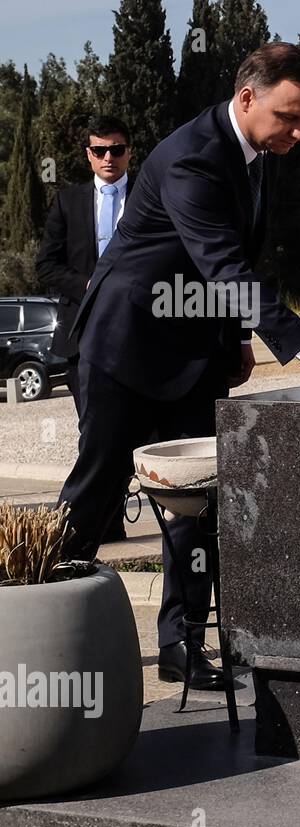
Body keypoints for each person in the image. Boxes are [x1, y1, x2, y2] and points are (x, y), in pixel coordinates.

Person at [59, 42, 300, 691]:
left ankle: (181, 647)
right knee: (95, 499)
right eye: (290, 117)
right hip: (125, 348)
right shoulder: (190, 157)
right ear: (247, 99)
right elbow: (224, 266)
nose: (299, 133)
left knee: (197, 509)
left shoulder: (258, 154)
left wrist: (237, 338)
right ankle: (45, 630)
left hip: (194, 354)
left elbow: (238, 257)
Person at [36, 116, 133, 541]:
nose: (108, 157)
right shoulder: (68, 201)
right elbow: (46, 266)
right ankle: (99, 525)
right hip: (84, 335)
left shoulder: (152, 195)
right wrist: (90, 285)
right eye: (99, 150)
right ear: (88, 155)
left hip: (141, 333)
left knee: (138, 432)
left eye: (116, 149)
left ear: (130, 151)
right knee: (94, 431)